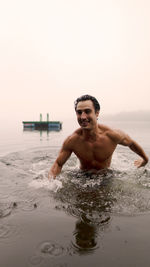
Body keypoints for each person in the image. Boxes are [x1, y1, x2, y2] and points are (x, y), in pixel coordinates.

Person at [48, 94, 148, 179]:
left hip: (107, 176)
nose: (83, 117)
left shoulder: (112, 135)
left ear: (97, 113)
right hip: (82, 177)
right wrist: (50, 182)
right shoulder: (72, 140)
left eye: (87, 111)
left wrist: (145, 159)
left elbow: (131, 143)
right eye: (79, 112)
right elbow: (58, 164)